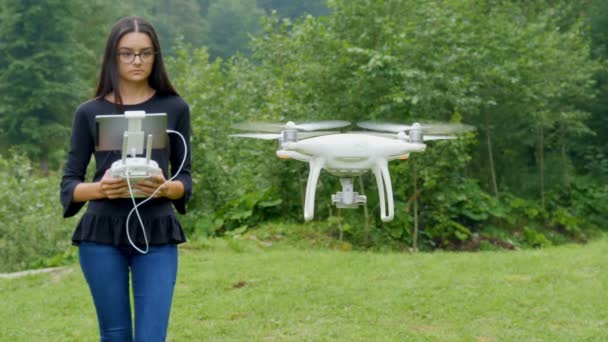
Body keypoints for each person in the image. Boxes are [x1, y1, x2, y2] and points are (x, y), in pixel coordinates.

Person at [60, 16, 191, 342]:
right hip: (101, 236)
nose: (137, 61)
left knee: (151, 336)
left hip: (157, 232)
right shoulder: (88, 113)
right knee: (115, 335)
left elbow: (184, 179)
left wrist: (166, 187)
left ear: (155, 57)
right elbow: (69, 186)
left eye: (146, 53)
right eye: (127, 53)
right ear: (112, 57)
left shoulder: (174, 108)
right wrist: (101, 189)